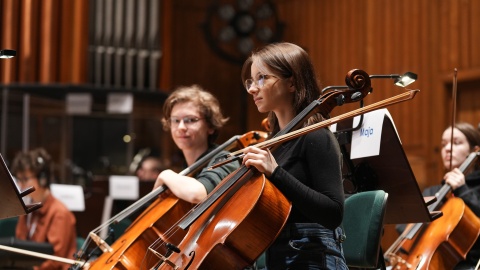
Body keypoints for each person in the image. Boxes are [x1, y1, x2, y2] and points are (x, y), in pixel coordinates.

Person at [240, 42, 348, 269]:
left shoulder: (316, 136)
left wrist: (276, 172)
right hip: (279, 255)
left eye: (262, 78)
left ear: (292, 82)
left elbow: (333, 212)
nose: (252, 89)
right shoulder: (274, 144)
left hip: (313, 258)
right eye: (251, 80)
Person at [395, 122, 480, 269]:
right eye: (443, 144)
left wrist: (463, 190)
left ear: (475, 150)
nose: (447, 149)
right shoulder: (432, 192)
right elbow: (403, 226)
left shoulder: (475, 190)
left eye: (456, 143)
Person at [153, 85, 240, 204]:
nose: (181, 127)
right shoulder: (186, 170)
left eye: (190, 120)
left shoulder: (225, 159)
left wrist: (165, 174)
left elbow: (197, 194)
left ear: (210, 126)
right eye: (175, 120)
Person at [11, 148, 77, 270]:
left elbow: (55, 262)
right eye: (19, 179)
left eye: (25, 179)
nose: (20, 185)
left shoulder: (59, 213)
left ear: (43, 178)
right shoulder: (27, 209)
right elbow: (19, 248)